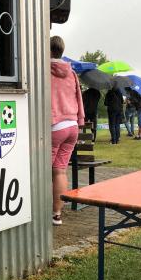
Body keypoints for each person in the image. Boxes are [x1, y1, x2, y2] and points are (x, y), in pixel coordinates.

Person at [50, 36, 84, 226]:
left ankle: (42, 211)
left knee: (45, 171)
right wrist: (79, 120)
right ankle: (56, 214)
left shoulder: (44, 71)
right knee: (60, 171)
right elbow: (79, 97)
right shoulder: (71, 73)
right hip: (72, 126)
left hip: (54, 126)